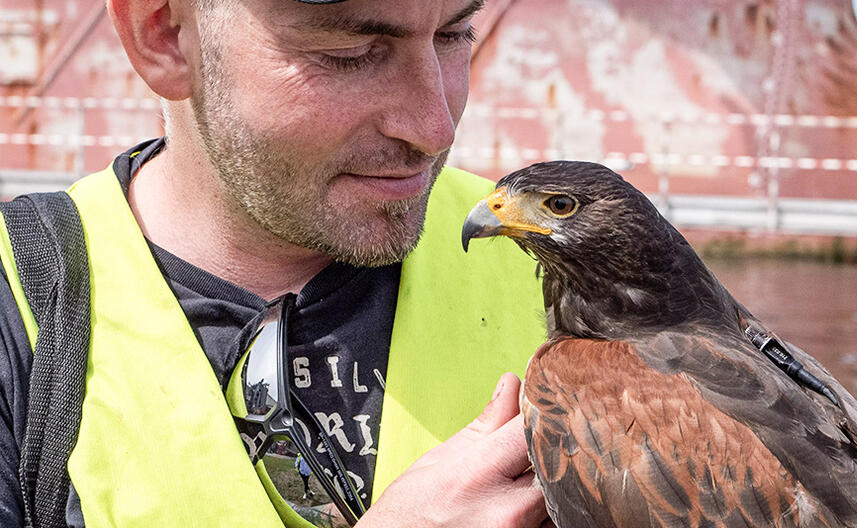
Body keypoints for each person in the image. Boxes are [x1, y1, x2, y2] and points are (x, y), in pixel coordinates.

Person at [0, 0, 553, 526]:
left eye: (453, 34)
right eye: (351, 53)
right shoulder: (20, 299)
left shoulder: (571, 260)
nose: (435, 129)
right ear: (164, 35)